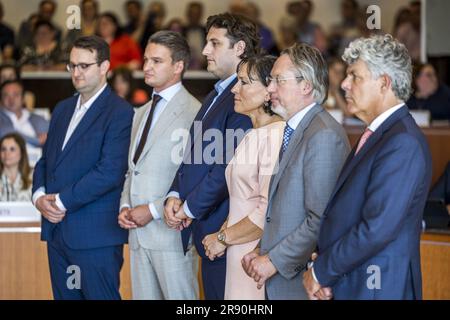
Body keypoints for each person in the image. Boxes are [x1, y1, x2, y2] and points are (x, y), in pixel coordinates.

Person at [303, 34, 432, 300]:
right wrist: (325, 265)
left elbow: (377, 227)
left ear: (384, 83)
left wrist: (321, 272)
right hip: (354, 282)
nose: (345, 85)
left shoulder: (402, 141)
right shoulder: (380, 134)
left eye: (355, 76)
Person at [241, 43, 350, 300]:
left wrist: (273, 261)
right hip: (282, 279)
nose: (269, 88)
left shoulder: (323, 135)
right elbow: (283, 210)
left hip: (299, 283)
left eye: (278, 80)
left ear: (306, 86)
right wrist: (261, 250)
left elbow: (319, 218)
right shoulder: (297, 129)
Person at [32, 35, 134, 300]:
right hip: (57, 233)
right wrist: (39, 196)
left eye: (84, 66)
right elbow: (45, 161)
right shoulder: (62, 109)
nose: (76, 72)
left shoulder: (120, 112)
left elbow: (110, 172)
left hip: (94, 236)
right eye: (72, 65)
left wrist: (61, 202)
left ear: (104, 67)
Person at [164, 13, 258, 300]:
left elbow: (225, 169)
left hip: (225, 229)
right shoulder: (216, 93)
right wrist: (175, 192)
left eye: (214, 43)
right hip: (206, 226)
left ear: (239, 48)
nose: (205, 51)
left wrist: (189, 208)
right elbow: (192, 154)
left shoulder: (243, 99)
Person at [118, 30, 201, 300]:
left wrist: (152, 210)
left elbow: (193, 177)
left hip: (170, 233)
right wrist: (125, 205)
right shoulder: (140, 112)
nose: (146, 67)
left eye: (156, 61)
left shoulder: (194, 111)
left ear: (178, 66)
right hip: (138, 234)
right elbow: (134, 168)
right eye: (145, 60)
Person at [202, 55, 284, 300]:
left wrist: (222, 238)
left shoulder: (275, 136)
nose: (235, 89)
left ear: (269, 90)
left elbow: (266, 209)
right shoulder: (253, 133)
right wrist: (224, 232)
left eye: (244, 82)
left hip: (254, 253)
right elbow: (241, 197)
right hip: (237, 246)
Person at [0, 80, 49, 157]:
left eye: (15, 95)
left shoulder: (38, 119)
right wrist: (37, 141)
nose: (11, 99)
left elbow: (51, 138)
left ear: (23, 98)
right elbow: (7, 133)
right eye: (6, 95)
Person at [0, 133, 32, 202]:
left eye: (12, 149)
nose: (7, 153)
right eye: (3, 149)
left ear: (22, 153)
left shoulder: (33, 176)